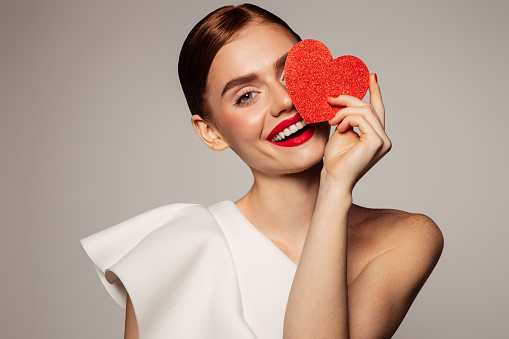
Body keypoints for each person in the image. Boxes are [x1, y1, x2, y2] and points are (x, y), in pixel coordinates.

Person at [81, 4, 444, 339]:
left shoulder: (403, 238)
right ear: (211, 132)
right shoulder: (170, 252)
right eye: (246, 96)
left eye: (291, 75)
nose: (285, 101)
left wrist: (335, 186)